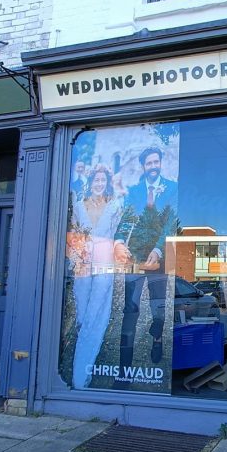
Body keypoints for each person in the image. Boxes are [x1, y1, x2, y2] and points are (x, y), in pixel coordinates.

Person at [114, 146, 179, 369]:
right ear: (144, 166)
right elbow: (126, 220)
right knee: (130, 308)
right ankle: (124, 364)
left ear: (160, 163)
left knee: (158, 305)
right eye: (149, 163)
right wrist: (119, 242)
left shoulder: (172, 189)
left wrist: (159, 249)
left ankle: (157, 339)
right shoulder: (133, 191)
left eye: (155, 162)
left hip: (159, 259)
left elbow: (171, 223)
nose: (153, 166)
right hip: (135, 258)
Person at [68, 165, 123, 389]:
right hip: (82, 263)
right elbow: (74, 232)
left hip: (103, 263)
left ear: (106, 183)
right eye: (95, 180)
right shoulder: (79, 206)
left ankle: (81, 374)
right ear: (90, 182)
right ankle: (81, 356)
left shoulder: (115, 205)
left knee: (96, 316)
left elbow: (120, 232)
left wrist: (118, 245)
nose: (99, 184)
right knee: (82, 316)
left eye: (102, 180)